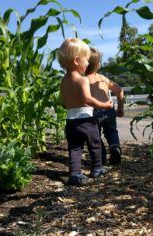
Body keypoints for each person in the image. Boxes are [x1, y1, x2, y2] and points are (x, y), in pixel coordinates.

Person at [57, 38, 113, 185]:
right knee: (94, 144)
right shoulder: (83, 81)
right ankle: (97, 168)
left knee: (75, 148)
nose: (88, 64)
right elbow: (88, 100)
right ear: (76, 60)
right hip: (86, 120)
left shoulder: (63, 81)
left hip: (70, 122)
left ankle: (75, 173)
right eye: (86, 60)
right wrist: (105, 105)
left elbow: (63, 102)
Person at [85, 47, 124, 165]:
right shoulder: (103, 79)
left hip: (93, 112)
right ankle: (115, 148)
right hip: (108, 109)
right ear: (98, 64)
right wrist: (120, 108)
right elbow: (119, 91)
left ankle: (100, 156)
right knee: (111, 131)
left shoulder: (83, 80)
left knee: (94, 135)